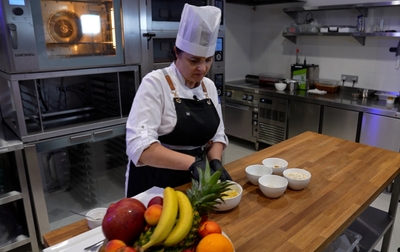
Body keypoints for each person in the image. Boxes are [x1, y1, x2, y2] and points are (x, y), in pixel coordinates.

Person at [125, 4, 232, 197]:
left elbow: (217, 135)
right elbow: (139, 147)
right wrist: (192, 163)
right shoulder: (155, 83)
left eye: (208, 60)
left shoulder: (208, 86)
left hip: (194, 179)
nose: (202, 68)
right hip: (156, 182)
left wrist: (214, 160)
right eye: (194, 60)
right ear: (177, 52)